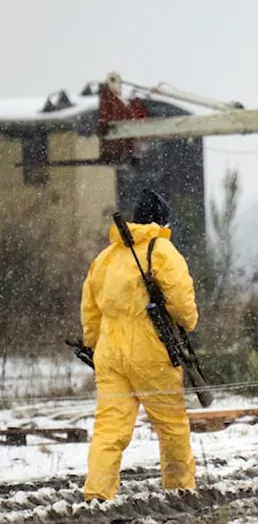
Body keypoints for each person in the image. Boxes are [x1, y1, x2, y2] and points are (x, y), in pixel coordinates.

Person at [81, 188, 198, 502]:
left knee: (109, 427)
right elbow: (182, 304)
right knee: (170, 424)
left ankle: (97, 494)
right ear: (161, 219)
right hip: (152, 351)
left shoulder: (104, 258)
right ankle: (179, 489)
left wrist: (94, 345)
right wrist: (188, 323)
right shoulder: (162, 251)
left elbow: (90, 311)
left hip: (109, 353)